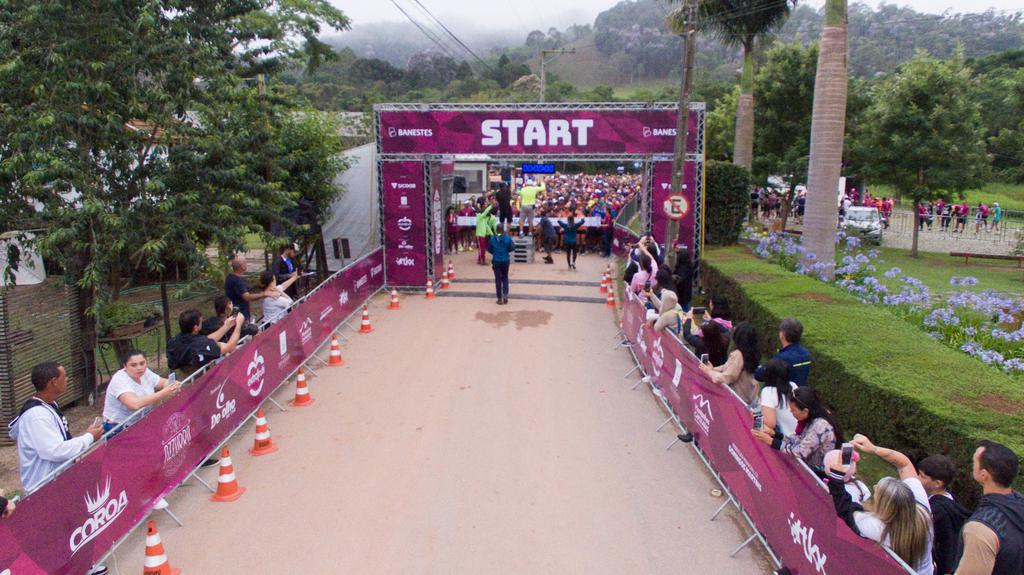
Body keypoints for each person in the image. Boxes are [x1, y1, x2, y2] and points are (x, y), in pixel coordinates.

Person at [8, 362, 103, 492]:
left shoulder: (49, 404)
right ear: (53, 382)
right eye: (64, 376)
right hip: (45, 488)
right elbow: (54, 451)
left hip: (58, 481)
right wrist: (89, 437)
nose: (67, 379)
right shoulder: (37, 416)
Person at [849, 435, 935, 575]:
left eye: (878, 492)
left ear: (885, 507)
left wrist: (837, 475)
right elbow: (905, 464)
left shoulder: (877, 528)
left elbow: (846, 510)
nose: (875, 486)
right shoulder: (922, 509)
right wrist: (873, 448)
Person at [956, 440, 1024, 575]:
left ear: (983, 475)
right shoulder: (1019, 504)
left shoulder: (980, 529)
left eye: (974, 462)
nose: (972, 465)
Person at [753, 386, 840, 472]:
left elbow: (800, 452)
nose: (791, 412)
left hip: (819, 474)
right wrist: (775, 434)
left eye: (793, 410)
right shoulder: (813, 419)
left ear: (805, 411)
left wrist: (770, 441)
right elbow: (799, 440)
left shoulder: (820, 425)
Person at [102, 349, 182, 434]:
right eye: (133, 365)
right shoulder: (119, 380)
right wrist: (164, 393)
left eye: (142, 363)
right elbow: (134, 404)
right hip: (118, 427)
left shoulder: (145, 372)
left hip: (141, 420)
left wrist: (172, 384)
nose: (139, 368)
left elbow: (162, 382)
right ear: (125, 366)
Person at [918, 455, 970, 575]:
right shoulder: (949, 499)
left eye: (922, 476)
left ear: (937, 483)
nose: (917, 478)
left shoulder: (936, 510)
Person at [698, 321, 760, 407]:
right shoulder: (751, 351)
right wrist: (713, 369)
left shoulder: (738, 354)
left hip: (740, 401)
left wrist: (709, 372)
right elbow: (729, 366)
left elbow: (727, 377)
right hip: (750, 396)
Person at [167, 308, 243, 377]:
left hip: (184, 376)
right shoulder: (201, 344)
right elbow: (230, 346)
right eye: (200, 322)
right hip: (202, 380)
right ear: (195, 327)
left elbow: (206, 339)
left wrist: (226, 326)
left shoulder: (175, 340)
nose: (202, 323)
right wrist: (239, 324)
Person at [755, 318, 812, 387]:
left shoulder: (782, 358)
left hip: (784, 395)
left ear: (782, 334)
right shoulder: (806, 354)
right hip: (799, 394)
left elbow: (759, 375)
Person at [225, 254, 275, 321]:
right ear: (242, 266)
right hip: (240, 315)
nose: (247, 264)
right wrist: (264, 294)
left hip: (234, 313)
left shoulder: (230, 277)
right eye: (245, 263)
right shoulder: (237, 281)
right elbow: (247, 297)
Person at [758, 358, 799, 437]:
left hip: (785, 439)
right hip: (799, 436)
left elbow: (769, 424)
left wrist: (755, 415)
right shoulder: (793, 385)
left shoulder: (768, 392)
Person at [488, 223, 514, 305]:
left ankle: (499, 298)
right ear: (503, 230)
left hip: (496, 261)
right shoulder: (507, 238)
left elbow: (489, 249)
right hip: (505, 260)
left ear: (496, 230)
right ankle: (505, 295)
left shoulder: (492, 239)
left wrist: (495, 252)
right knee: (505, 277)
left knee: (498, 279)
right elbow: (512, 247)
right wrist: (505, 251)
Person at [648, 268, 681, 333]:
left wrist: (652, 319)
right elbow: (662, 306)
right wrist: (651, 295)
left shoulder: (667, 315)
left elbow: (656, 328)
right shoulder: (676, 306)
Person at [672, 246, 694, 311]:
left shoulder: (681, 270)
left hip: (682, 297)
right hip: (687, 295)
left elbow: (680, 282)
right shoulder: (689, 266)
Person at [475, 197, 495, 265]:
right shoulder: (479, 215)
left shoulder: (484, 217)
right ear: (482, 205)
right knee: (481, 248)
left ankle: (480, 260)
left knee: (483, 248)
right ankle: (482, 260)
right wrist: (491, 205)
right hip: (480, 234)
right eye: (485, 204)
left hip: (483, 234)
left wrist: (491, 233)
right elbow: (485, 212)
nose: (486, 205)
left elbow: (487, 226)